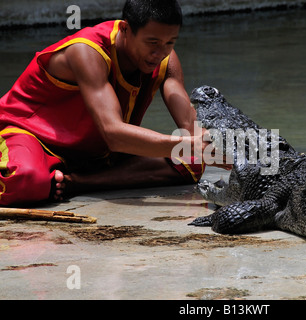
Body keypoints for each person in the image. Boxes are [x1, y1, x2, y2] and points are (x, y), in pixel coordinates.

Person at [0, 0, 228, 206]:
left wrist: (213, 146)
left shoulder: (166, 60)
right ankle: (51, 175)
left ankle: (76, 183)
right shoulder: (87, 52)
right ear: (125, 29)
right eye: (152, 42)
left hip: (96, 154)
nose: (160, 53)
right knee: (27, 180)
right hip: (28, 136)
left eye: (170, 42)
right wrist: (190, 144)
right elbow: (114, 134)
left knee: (194, 163)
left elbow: (191, 127)